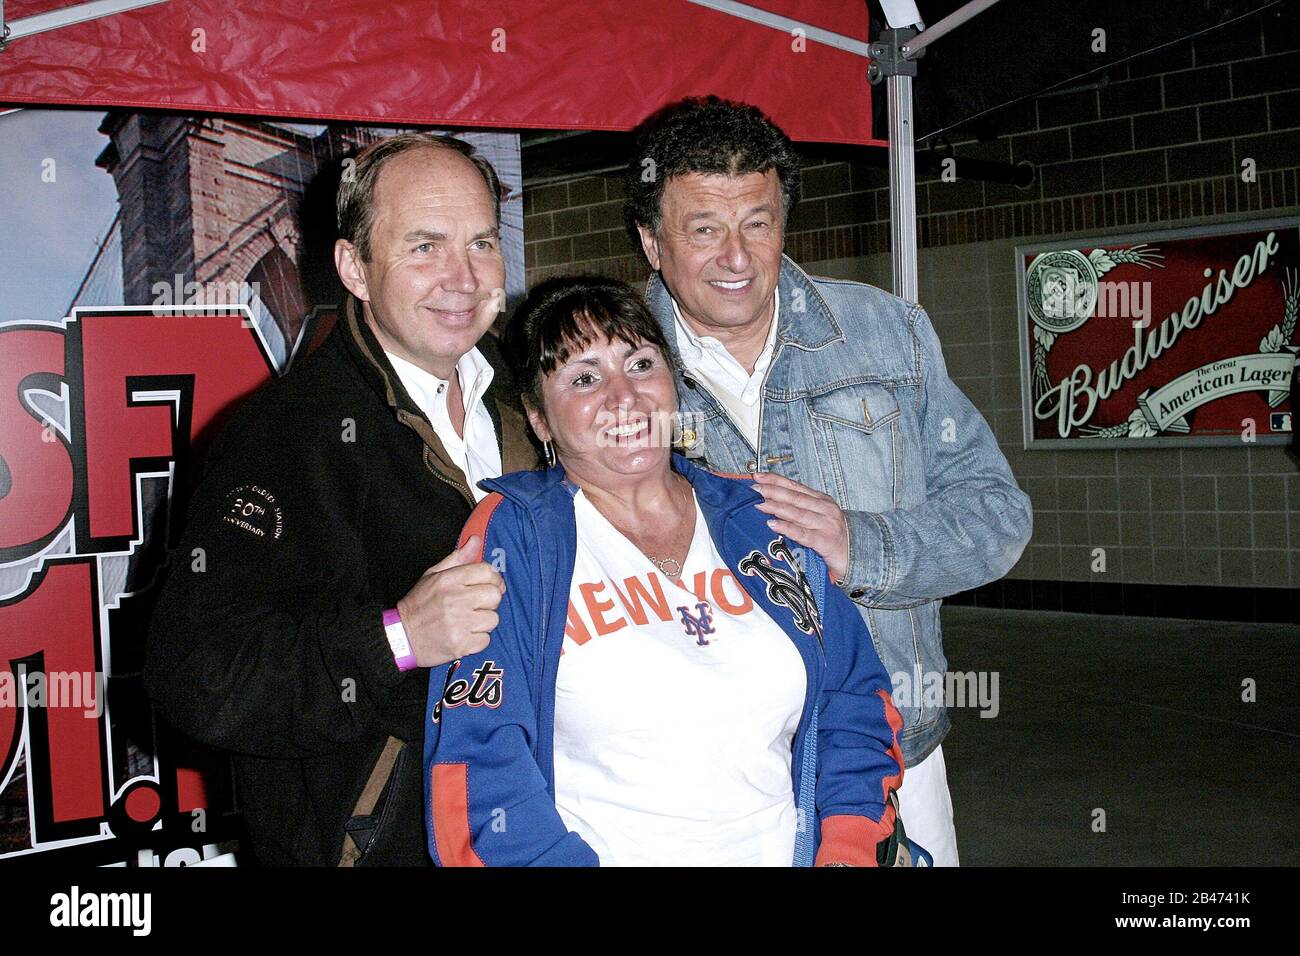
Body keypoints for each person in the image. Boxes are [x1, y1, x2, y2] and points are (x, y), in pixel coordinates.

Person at [622, 96, 1033, 866]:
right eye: (703, 228)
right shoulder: (610, 377)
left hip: (894, 754)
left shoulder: (888, 334)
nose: (736, 257)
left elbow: (996, 515)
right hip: (705, 780)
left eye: (758, 222)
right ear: (652, 242)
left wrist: (863, 547)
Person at [424, 275, 912, 867]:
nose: (624, 397)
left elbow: (853, 700)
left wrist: (846, 850)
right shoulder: (515, 536)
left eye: (641, 363)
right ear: (540, 419)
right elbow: (478, 763)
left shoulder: (762, 519)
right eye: (583, 377)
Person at [145, 132, 536, 866]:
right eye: (425, 246)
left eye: (482, 243)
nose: (463, 276)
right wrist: (397, 637)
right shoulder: (283, 436)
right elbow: (195, 671)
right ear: (354, 267)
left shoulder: (530, 405)